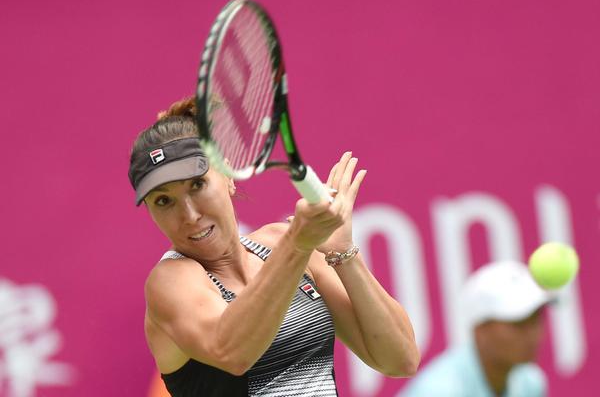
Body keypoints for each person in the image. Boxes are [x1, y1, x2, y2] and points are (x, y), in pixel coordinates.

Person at [128, 97, 420, 396]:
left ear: (227, 175)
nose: (189, 215)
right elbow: (231, 352)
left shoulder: (280, 244)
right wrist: (298, 245)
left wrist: (343, 253)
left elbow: (401, 360)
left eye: (197, 185)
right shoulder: (170, 282)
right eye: (164, 201)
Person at [401, 260, 552, 397]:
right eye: (518, 323)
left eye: (535, 320)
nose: (534, 335)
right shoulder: (439, 391)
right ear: (480, 330)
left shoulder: (530, 382)